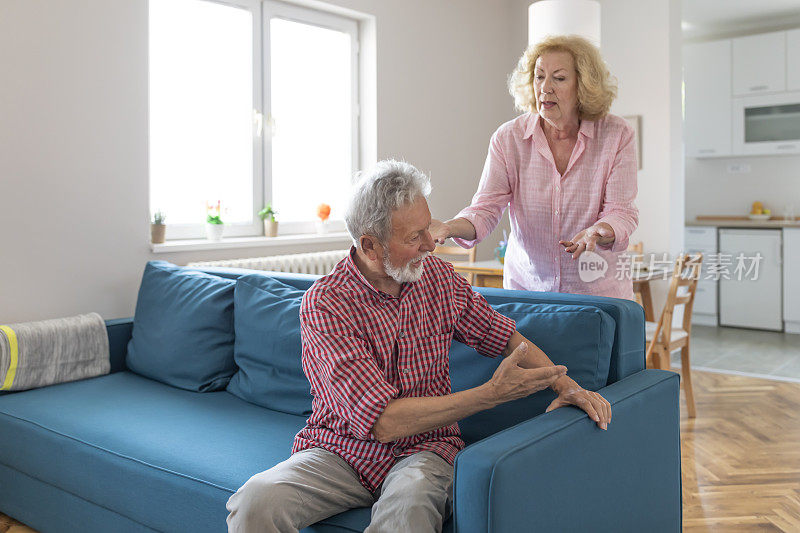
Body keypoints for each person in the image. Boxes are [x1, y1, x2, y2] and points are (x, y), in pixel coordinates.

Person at [226, 160, 612, 533]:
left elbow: (508, 339)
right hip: (340, 451)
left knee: (407, 511)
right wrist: (491, 394)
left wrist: (568, 387)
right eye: (415, 237)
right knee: (254, 504)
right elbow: (383, 422)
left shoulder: (439, 280)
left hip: (426, 451)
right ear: (370, 247)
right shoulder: (326, 304)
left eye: (428, 228)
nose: (431, 244)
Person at [431, 35, 638, 299]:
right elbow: (485, 208)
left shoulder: (617, 134)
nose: (545, 88)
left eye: (559, 78)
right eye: (539, 77)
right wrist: (450, 227)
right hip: (528, 294)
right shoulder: (508, 138)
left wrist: (600, 230)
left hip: (598, 295)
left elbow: (621, 211)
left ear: (584, 85)